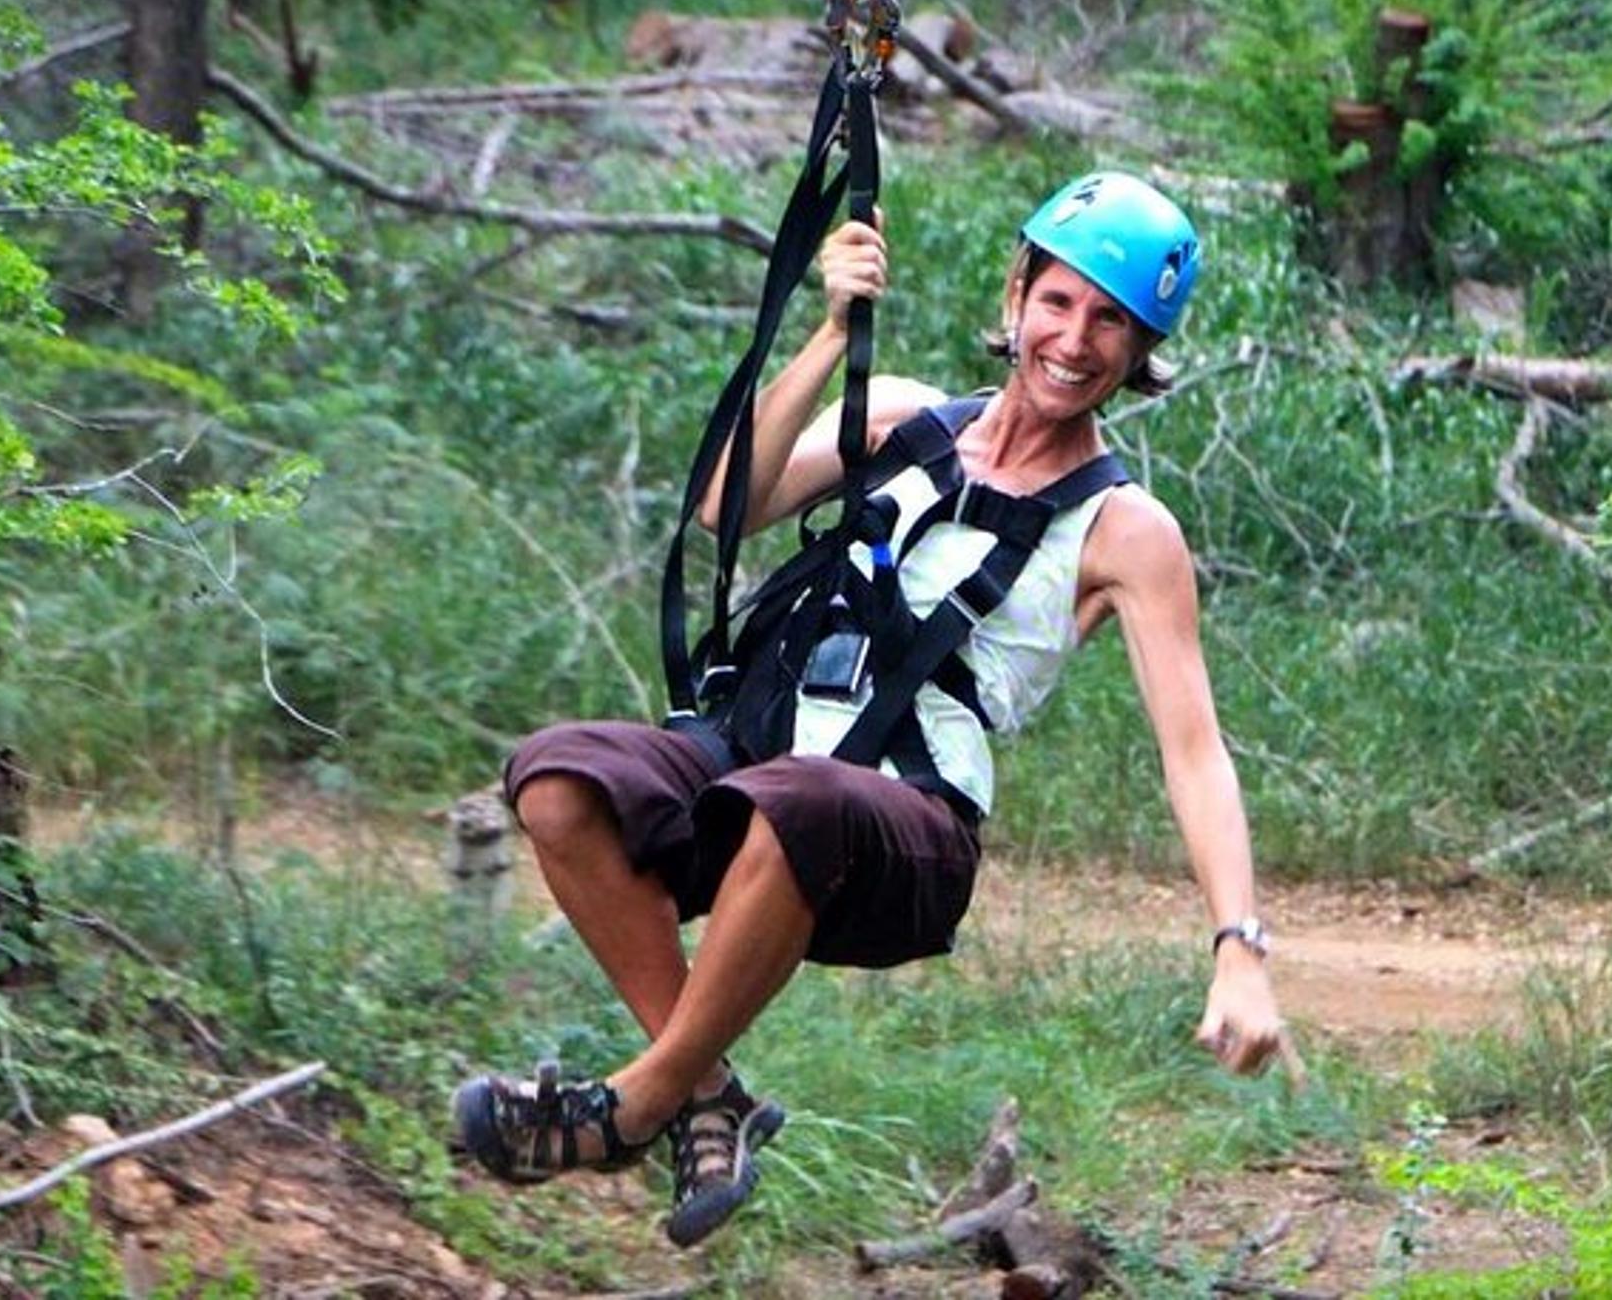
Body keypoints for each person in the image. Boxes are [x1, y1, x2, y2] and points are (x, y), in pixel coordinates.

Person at [452, 171, 1287, 1248]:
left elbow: (1194, 752)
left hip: (908, 831)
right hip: (756, 757)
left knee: (797, 801)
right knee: (561, 779)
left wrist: (1238, 948)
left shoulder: (1127, 531)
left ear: (1138, 356)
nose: (1074, 342)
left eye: (1111, 323)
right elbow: (725, 505)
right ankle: (705, 1096)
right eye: (1059, 301)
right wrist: (828, 332)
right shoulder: (897, 415)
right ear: (1016, 294)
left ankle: (631, 1108)